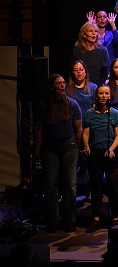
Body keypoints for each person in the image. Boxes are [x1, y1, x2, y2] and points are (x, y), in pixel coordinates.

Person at [35, 74, 83, 232]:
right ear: (52, 87)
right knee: (50, 184)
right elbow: (39, 130)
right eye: (59, 83)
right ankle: (53, 220)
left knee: (70, 184)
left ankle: (69, 220)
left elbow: (78, 129)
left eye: (63, 83)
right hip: (50, 147)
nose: (62, 86)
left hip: (69, 146)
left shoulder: (72, 104)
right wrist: (37, 151)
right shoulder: (44, 106)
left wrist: (81, 147)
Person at [82, 84, 118, 231]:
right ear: (97, 96)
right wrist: (86, 145)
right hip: (95, 153)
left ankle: (116, 218)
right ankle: (96, 218)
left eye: (106, 93)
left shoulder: (115, 114)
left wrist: (111, 148)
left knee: (113, 187)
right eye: (101, 93)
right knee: (96, 186)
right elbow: (86, 132)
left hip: (111, 154)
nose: (104, 96)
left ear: (110, 96)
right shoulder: (89, 114)